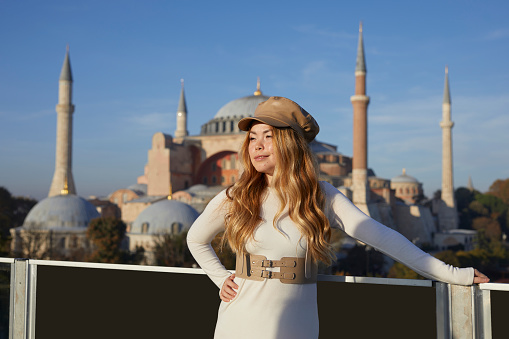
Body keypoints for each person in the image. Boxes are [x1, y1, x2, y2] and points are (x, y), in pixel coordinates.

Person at [186, 96, 489, 339]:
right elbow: (195, 239)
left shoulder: (322, 196)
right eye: (253, 137)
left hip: (296, 327)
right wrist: (221, 278)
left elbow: (384, 238)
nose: (258, 145)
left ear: (291, 144)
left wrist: (453, 274)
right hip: (237, 323)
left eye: (269, 136)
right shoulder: (237, 195)